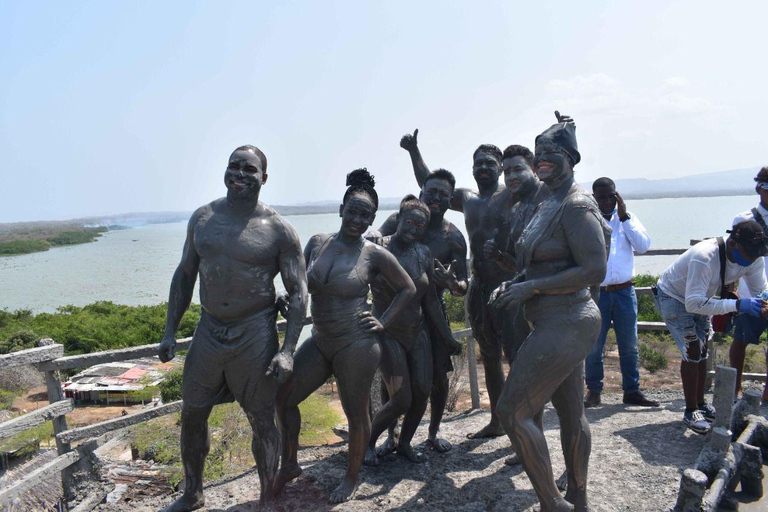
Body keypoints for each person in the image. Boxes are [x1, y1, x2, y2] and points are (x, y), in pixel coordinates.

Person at [157, 145, 308, 512]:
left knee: (261, 418)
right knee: (192, 413)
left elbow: (299, 292)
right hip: (209, 330)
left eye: (249, 169)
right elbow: (185, 275)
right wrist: (169, 330)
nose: (240, 173)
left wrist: (287, 350)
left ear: (263, 178)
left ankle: (268, 496)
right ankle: (193, 493)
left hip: (254, 331)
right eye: (234, 166)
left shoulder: (278, 230)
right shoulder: (203, 218)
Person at [275, 169, 416, 503]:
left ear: (371, 221)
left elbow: (407, 288)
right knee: (283, 398)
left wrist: (383, 321)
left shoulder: (374, 254)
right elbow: (303, 285)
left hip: (357, 342)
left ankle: (351, 477)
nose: (357, 219)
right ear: (341, 209)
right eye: (352, 211)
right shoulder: (317, 243)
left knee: (356, 415)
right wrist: (286, 295)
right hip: (321, 338)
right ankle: (290, 462)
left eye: (365, 215)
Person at [492, 118, 608, 512]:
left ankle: (553, 503)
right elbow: (540, 265)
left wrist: (534, 288)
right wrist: (517, 282)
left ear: (572, 158)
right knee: (571, 411)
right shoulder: (546, 201)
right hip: (551, 319)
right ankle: (578, 495)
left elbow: (595, 269)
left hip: (569, 319)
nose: (542, 160)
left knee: (513, 410)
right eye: (538, 154)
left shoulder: (575, 206)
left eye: (552, 154)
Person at [398, 128, 517, 439]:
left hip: (510, 284)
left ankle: (522, 427)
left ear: (501, 166)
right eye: (478, 163)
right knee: (489, 358)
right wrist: (413, 150)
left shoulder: (511, 194)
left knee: (517, 358)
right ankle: (497, 420)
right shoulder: (468, 199)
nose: (483, 169)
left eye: (490, 163)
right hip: (479, 286)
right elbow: (429, 185)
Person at [367, 167, 468, 453]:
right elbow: (375, 241)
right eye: (431, 192)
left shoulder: (453, 238)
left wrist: (452, 284)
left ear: (451, 200)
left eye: (443, 194)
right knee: (394, 381)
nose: (436, 198)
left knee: (436, 377)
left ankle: (433, 433)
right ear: (421, 193)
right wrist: (373, 232)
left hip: (431, 313)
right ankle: (390, 435)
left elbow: (463, 283)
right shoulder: (398, 219)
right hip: (393, 314)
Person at [654, 221, 768, 435]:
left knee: (704, 347)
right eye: (749, 253)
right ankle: (690, 411)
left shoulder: (753, 258)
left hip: (701, 297)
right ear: (733, 244)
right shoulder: (704, 257)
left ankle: (701, 405)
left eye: (756, 254)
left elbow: (760, 290)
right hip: (673, 296)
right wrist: (737, 305)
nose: (752, 259)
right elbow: (692, 303)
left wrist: (764, 303)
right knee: (692, 348)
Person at [583, 177, 658, 408]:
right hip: (597, 293)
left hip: (625, 292)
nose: (607, 201)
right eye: (602, 196)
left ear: (617, 195)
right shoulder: (587, 221)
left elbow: (643, 246)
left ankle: (632, 391)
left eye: (611, 196)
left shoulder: (628, 218)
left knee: (629, 345)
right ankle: (594, 391)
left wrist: (624, 218)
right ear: (594, 198)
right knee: (594, 345)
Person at [730, 166, 768, 400]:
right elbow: (733, 254)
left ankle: (767, 395)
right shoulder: (743, 219)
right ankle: (735, 388)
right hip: (750, 292)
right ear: (758, 188)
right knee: (740, 339)